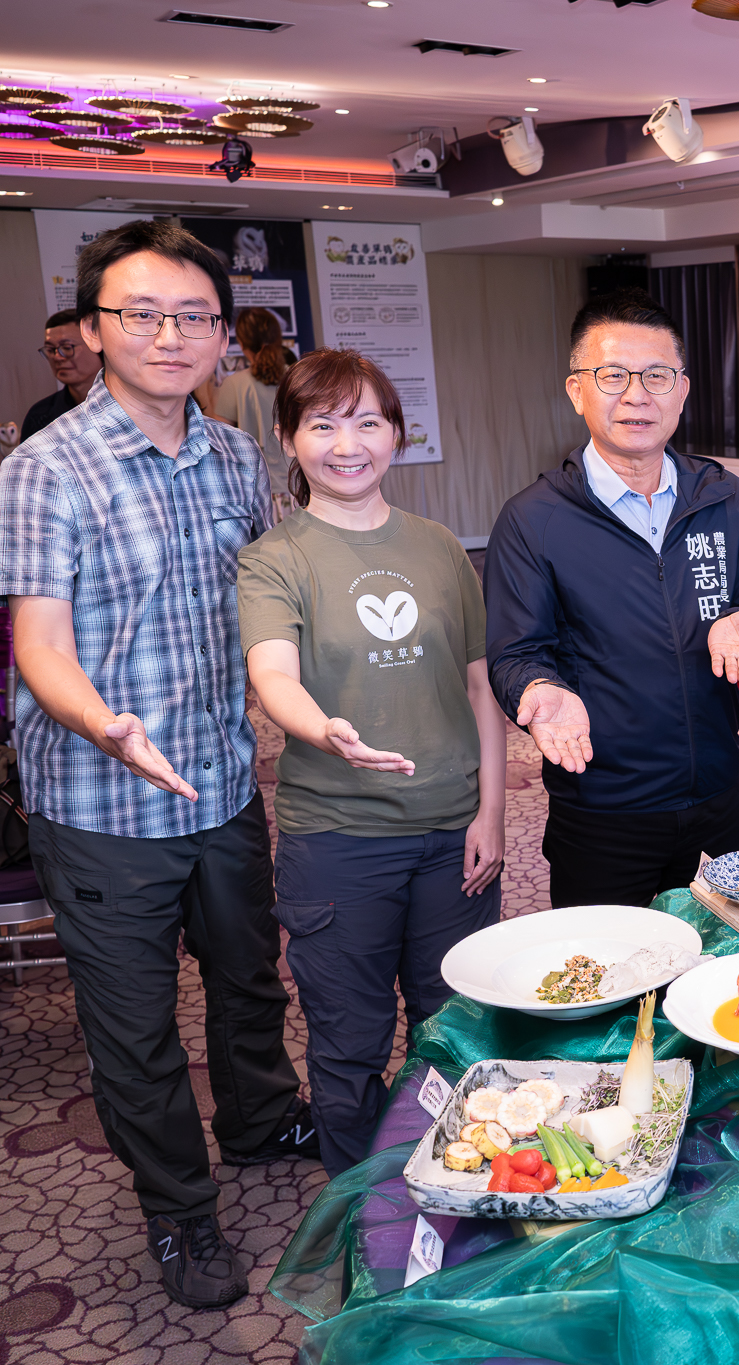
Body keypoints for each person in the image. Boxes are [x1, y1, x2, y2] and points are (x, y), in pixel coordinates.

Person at [0, 219, 313, 1311]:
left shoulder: (237, 457)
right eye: (142, 314)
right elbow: (39, 645)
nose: (170, 336)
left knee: (248, 978)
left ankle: (261, 1121)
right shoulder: (46, 468)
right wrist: (103, 724)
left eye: (194, 316)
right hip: (100, 800)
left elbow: (269, 603)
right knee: (134, 1028)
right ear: (93, 329)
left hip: (221, 781)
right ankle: (178, 1211)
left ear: (223, 335)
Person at [238, 347, 505, 1177]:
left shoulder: (439, 547)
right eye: (322, 424)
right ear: (288, 436)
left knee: (454, 1028)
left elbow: (481, 686)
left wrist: (493, 812)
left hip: (454, 836)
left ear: (396, 433)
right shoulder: (275, 557)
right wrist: (324, 730)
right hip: (339, 842)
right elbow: (272, 675)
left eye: (366, 422)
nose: (346, 444)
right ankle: (360, 1208)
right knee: (349, 1042)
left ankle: (457, 1190)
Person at [485, 288, 739, 908]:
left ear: (682, 390)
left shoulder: (722, 497)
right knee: (607, 962)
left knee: (726, 953)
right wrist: (537, 690)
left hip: (718, 793)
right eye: (613, 376)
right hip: (603, 806)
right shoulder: (534, 519)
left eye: (656, 375)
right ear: (576, 390)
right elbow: (516, 651)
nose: (636, 395)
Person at [214, 306, 297, 516]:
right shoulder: (299, 380)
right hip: (301, 489)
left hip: (255, 495)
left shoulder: (233, 384)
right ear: (278, 338)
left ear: (242, 343)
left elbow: (218, 444)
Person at [20, 309, 104, 442]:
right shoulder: (41, 416)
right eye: (50, 350)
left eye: (67, 347)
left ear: (98, 345)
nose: (57, 357)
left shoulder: (132, 404)